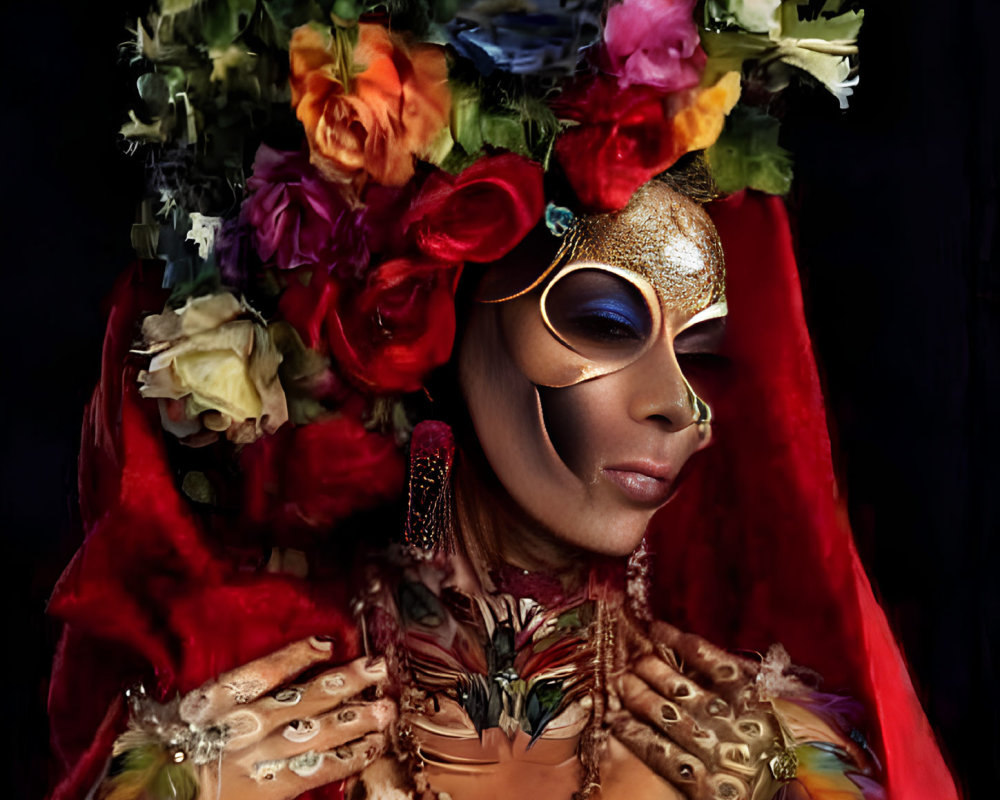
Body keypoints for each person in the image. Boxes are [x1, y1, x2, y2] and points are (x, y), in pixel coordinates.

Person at [46, 2, 957, 799]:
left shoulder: (764, 761)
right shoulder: (237, 731)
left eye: (699, 353)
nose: (683, 406)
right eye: (605, 321)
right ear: (435, 306)